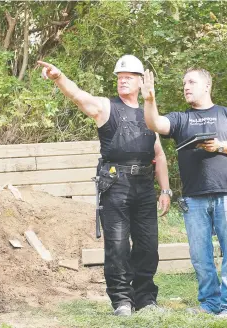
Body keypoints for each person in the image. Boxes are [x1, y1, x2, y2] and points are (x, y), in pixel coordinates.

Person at [38, 55, 171, 316]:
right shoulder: (105, 107)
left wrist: (164, 190)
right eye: (120, 77)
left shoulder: (149, 113)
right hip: (116, 184)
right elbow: (79, 96)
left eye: (129, 77)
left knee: (147, 245)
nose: (122, 80)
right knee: (118, 245)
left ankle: (145, 299)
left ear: (141, 81)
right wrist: (59, 77)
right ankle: (122, 300)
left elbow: (160, 154)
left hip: (145, 186)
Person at [141, 68, 227, 317]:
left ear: (207, 86)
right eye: (184, 83)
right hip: (193, 199)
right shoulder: (181, 119)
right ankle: (210, 303)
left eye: (191, 82)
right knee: (200, 256)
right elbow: (154, 123)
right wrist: (149, 100)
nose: (186, 86)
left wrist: (220, 145)